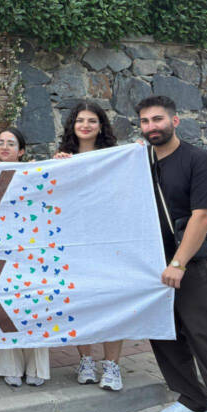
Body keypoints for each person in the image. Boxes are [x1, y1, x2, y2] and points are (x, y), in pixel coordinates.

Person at [137, 95, 207, 412]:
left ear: (175, 120)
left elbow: (202, 216)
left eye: (157, 119)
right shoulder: (138, 162)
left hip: (188, 264)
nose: (151, 127)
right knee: (162, 336)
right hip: (149, 266)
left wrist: (178, 263)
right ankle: (192, 401)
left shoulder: (198, 160)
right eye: (145, 121)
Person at [53, 101, 124, 391]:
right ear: (72, 125)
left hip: (108, 240)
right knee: (79, 301)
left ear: (101, 126)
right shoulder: (62, 158)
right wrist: (56, 167)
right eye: (80, 120)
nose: (85, 125)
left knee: (112, 302)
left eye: (92, 120)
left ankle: (112, 365)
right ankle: (85, 360)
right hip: (73, 241)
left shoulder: (115, 158)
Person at [0, 127, 51, 388]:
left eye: (11, 143)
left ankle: (36, 367)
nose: (5, 147)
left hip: (31, 247)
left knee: (35, 303)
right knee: (5, 305)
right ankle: (9, 366)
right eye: (1, 142)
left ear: (21, 150)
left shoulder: (34, 173)